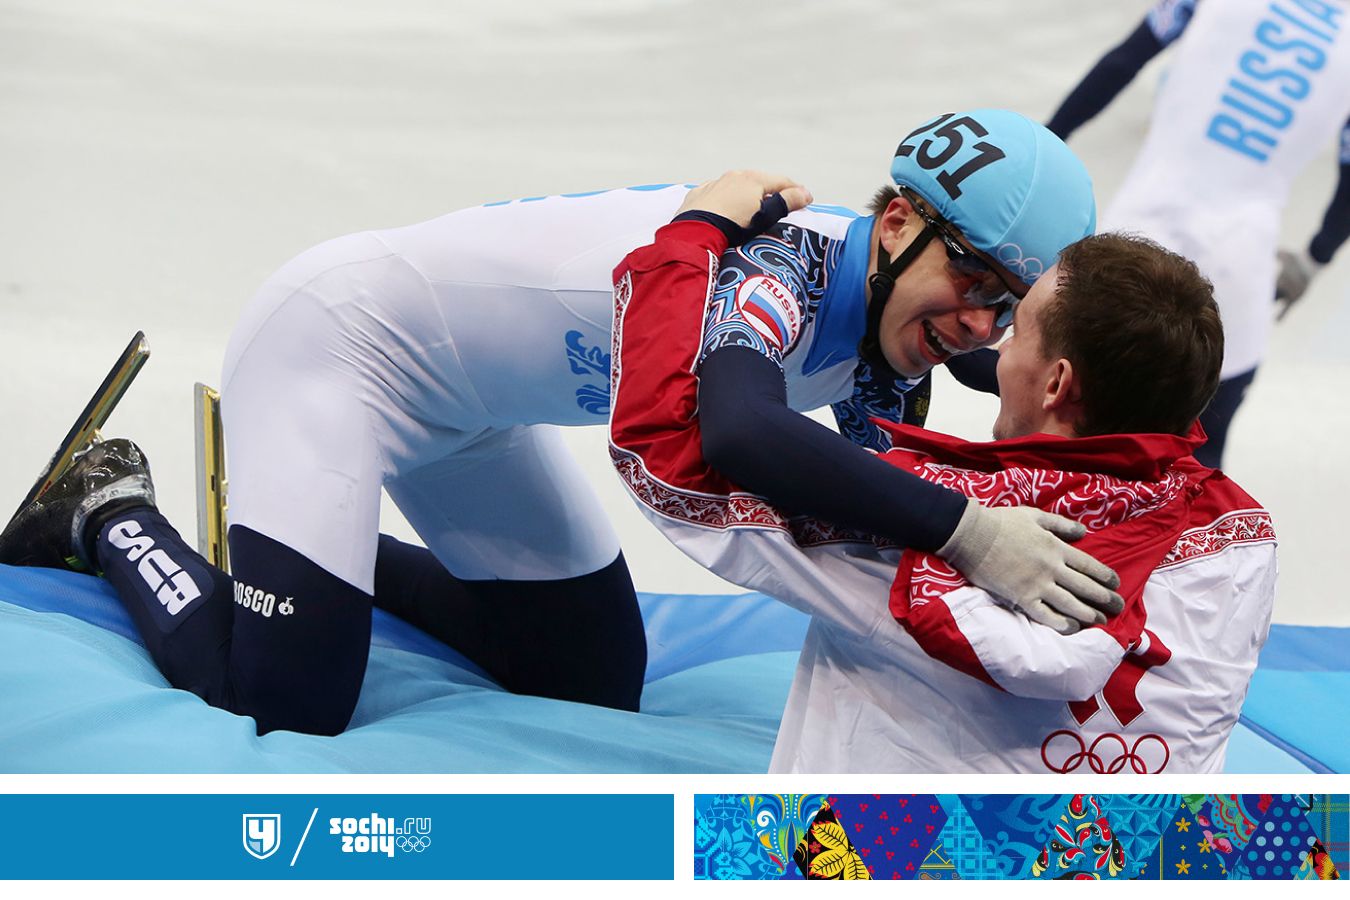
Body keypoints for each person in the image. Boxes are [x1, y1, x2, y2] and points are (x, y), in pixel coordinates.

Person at [0, 109, 1121, 737]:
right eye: (972, 278)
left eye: (1006, 307)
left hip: (477, 413)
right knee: (288, 701)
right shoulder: (776, 263)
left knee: (585, 679)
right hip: (335, 350)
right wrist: (971, 533)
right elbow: (738, 434)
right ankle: (108, 507)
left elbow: (987, 420)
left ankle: (292, 553)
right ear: (892, 227)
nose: (978, 325)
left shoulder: (907, 321)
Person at [610, 172, 1277, 772]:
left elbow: (668, 457)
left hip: (890, 858)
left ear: (1056, 384)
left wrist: (692, 244)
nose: (991, 340)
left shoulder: (912, 525)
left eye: (1018, 331)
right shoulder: (1244, 536)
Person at [1045, 0, 1350, 467]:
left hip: (1136, 240)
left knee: (1074, 426)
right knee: (1198, 464)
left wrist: (1046, 142)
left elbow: (1123, 62)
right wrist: (1314, 258)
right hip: (1239, 266)